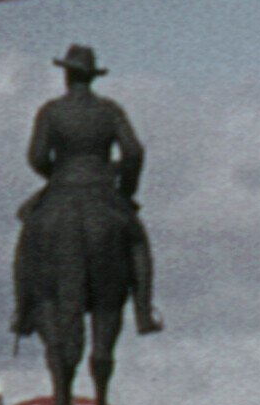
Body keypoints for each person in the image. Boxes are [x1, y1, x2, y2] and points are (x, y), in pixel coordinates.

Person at [12, 42, 162, 339]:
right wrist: (126, 189)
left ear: (67, 75)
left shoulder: (51, 111)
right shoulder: (109, 110)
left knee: (26, 242)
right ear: (92, 77)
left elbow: (37, 157)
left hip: (61, 186)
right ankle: (144, 313)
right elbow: (133, 152)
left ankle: (23, 312)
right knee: (137, 244)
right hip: (103, 190)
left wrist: (58, 176)